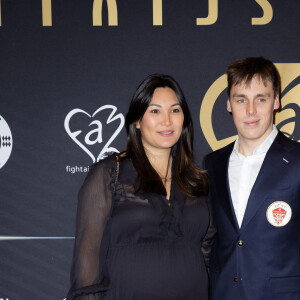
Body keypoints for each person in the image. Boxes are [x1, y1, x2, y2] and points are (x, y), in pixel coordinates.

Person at [67, 74, 216, 300]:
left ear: (184, 119)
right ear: (137, 120)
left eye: (175, 110)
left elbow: (206, 251)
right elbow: (87, 264)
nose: (167, 120)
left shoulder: (196, 180)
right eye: (155, 111)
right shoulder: (110, 174)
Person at [204, 57, 300, 300]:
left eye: (261, 98)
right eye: (241, 99)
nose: (250, 111)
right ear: (228, 104)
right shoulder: (212, 164)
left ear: (276, 101)